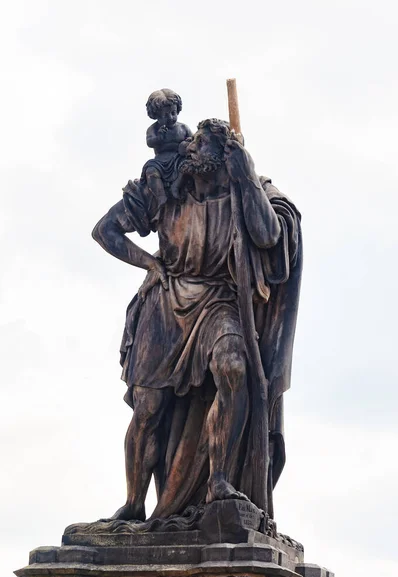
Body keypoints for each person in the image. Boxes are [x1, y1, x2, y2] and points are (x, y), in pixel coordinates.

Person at [92, 119, 302, 522]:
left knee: (233, 367)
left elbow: (268, 237)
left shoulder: (249, 191)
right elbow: (106, 231)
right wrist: (150, 264)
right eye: (192, 144)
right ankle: (135, 502)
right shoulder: (166, 189)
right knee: (148, 408)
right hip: (166, 300)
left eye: (201, 144)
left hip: (219, 301)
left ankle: (219, 480)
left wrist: (247, 177)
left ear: (224, 157)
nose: (190, 150)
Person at [141, 88, 192, 205]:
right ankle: (161, 197)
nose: (170, 117)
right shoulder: (153, 129)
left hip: (179, 158)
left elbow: (193, 141)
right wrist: (159, 137)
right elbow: (149, 142)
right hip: (160, 161)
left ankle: (176, 186)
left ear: (178, 110)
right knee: (151, 171)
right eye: (165, 115)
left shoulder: (183, 128)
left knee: (187, 165)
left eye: (173, 113)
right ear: (156, 115)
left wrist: (186, 144)